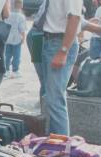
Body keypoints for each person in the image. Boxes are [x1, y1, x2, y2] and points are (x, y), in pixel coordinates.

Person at [38, 0, 83, 135]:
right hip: (49, 40)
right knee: (52, 98)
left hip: (60, 42)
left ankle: (61, 149)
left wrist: (63, 51)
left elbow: (75, 18)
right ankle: (55, 143)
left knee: (55, 100)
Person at [5, 0, 27, 78]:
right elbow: (22, 29)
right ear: (21, 5)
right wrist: (23, 38)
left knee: (7, 55)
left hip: (7, 38)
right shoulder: (21, 17)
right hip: (17, 39)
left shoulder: (8, 14)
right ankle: (15, 70)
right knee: (16, 55)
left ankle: (6, 70)